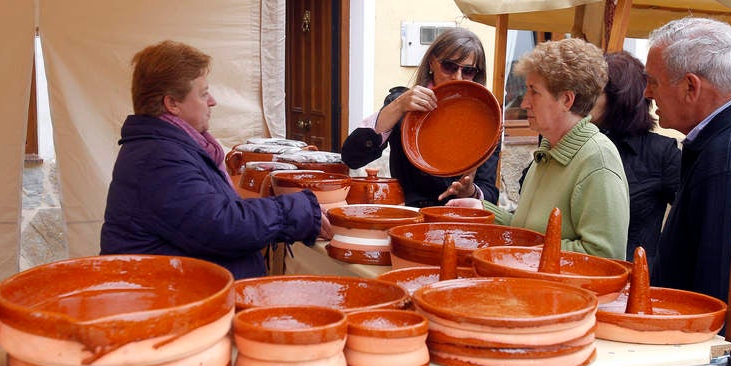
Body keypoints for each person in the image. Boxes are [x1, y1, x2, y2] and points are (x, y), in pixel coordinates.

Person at [100, 40, 330, 279]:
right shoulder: (157, 159)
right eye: (203, 94)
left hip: (180, 293)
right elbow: (222, 226)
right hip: (172, 303)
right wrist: (298, 210)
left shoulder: (169, 148)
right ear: (172, 103)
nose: (212, 101)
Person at [451, 38, 629, 261]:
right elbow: (527, 233)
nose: (524, 103)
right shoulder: (548, 153)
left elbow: (605, 255)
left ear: (566, 99)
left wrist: (522, 252)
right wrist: (482, 209)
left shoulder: (597, 160)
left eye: (534, 92)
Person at [340, 27, 500, 207]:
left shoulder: (486, 120)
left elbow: (490, 193)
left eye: (468, 71)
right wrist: (398, 106)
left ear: (476, 74)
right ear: (432, 63)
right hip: (411, 217)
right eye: (449, 66)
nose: (457, 76)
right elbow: (352, 157)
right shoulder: (404, 104)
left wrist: (470, 191)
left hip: (456, 221)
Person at [644, 17, 731, 305]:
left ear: (691, 87)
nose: (647, 93)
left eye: (653, 82)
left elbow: (716, 297)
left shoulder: (724, 160)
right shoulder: (728, 140)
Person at [590, 51, 681, 268]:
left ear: (620, 97)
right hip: (580, 271)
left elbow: (689, 223)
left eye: (594, 92)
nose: (582, 99)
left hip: (635, 277)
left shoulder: (661, 152)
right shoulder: (577, 140)